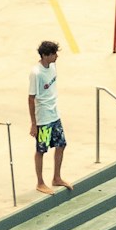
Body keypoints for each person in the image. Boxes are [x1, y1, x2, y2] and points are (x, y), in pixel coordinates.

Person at [29, 38, 69, 194]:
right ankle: (40, 182)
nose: (56, 57)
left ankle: (56, 177)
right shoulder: (36, 73)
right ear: (45, 55)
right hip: (44, 119)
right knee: (41, 150)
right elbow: (31, 98)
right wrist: (34, 123)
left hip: (55, 115)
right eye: (54, 54)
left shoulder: (52, 67)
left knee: (61, 145)